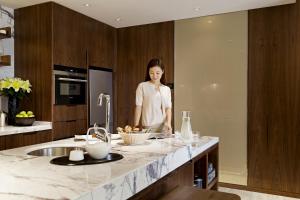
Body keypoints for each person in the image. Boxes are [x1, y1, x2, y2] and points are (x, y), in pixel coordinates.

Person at [134, 58, 172, 134]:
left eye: (157, 73)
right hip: (147, 129)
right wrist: (136, 125)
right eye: (151, 73)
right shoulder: (142, 86)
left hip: (164, 129)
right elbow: (138, 106)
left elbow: (168, 108)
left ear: (162, 72)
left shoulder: (167, 89)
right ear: (148, 72)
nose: (154, 76)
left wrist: (169, 124)